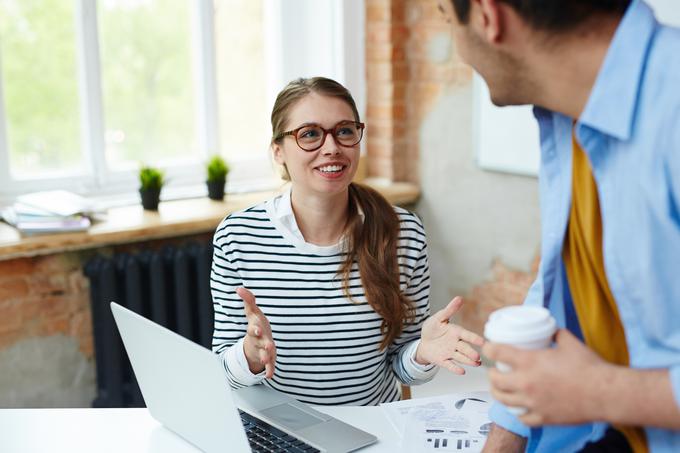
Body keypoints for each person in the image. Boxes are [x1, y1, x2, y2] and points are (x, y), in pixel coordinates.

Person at [437, 0, 680, 451]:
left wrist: (601, 392)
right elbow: (563, 289)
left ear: (488, 17)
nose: (459, 52)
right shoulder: (567, 112)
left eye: (449, 20)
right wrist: (505, 435)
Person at [210, 76, 484, 406]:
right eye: (309, 134)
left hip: (372, 427)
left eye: (344, 131)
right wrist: (249, 356)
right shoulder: (237, 237)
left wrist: (423, 354)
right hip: (278, 430)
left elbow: (402, 366)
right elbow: (223, 368)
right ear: (278, 151)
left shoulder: (404, 234)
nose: (331, 147)